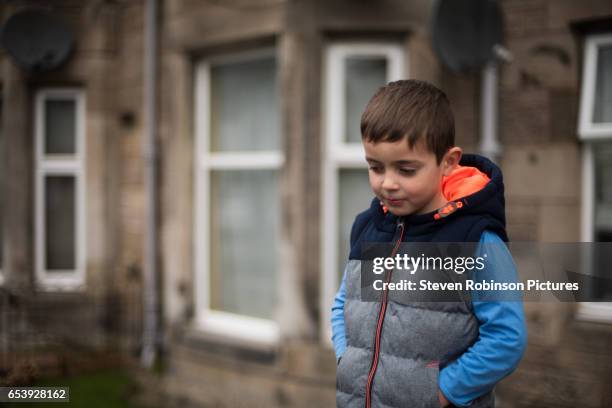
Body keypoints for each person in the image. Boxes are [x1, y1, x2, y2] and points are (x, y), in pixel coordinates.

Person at [331, 79, 527, 408]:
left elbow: (507, 338)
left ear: (448, 162)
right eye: (375, 167)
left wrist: (442, 391)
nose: (387, 183)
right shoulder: (367, 228)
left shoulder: (476, 241)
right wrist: (346, 359)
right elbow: (343, 305)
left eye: (406, 170)